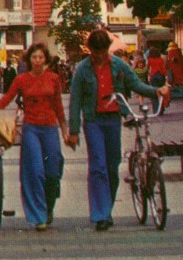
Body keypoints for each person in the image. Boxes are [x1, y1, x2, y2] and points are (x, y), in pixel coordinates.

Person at [67, 29, 170, 231]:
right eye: (95, 52)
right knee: (98, 166)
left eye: (103, 51)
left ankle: (107, 208)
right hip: (93, 120)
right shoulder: (82, 69)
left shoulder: (118, 64)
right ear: (90, 50)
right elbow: (75, 100)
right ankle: (101, 214)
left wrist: (156, 91)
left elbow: (136, 84)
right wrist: (73, 130)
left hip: (113, 119)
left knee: (112, 167)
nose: (99, 56)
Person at [0, 42, 67, 231]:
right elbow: (5, 100)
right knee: (35, 171)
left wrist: (65, 130)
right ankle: (39, 216)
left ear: (46, 60)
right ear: (28, 60)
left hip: (50, 128)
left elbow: (59, 106)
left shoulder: (53, 78)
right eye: (34, 57)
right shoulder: (22, 79)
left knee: (52, 171)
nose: (37, 61)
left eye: (41, 57)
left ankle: (49, 207)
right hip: (32, 128)